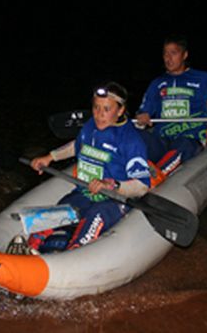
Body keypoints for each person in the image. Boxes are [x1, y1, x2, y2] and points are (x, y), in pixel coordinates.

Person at [27, 81, 151, 252]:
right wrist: (50, 157)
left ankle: (72, 253)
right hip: (84, 192)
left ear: (120, 110)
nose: (99, 114)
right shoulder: (89, 126)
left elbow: (142, 186)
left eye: (107, 109)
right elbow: (77, 145)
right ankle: (37, 249)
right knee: (56, 215)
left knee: (96, 215)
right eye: (96, 108)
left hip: (114, 200)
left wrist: (112, 185)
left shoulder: (131, 140)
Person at [135, 35, 207, 176]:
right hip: (162, 140)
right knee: (134, 135)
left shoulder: (202, 78)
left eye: (173, 53)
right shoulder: (156, 83)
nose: (168, 58)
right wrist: (141, 120)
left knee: (183, 145)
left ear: (184, 55)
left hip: (190, 139)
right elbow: (142, 118)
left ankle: (154, 178)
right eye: (165, 53)